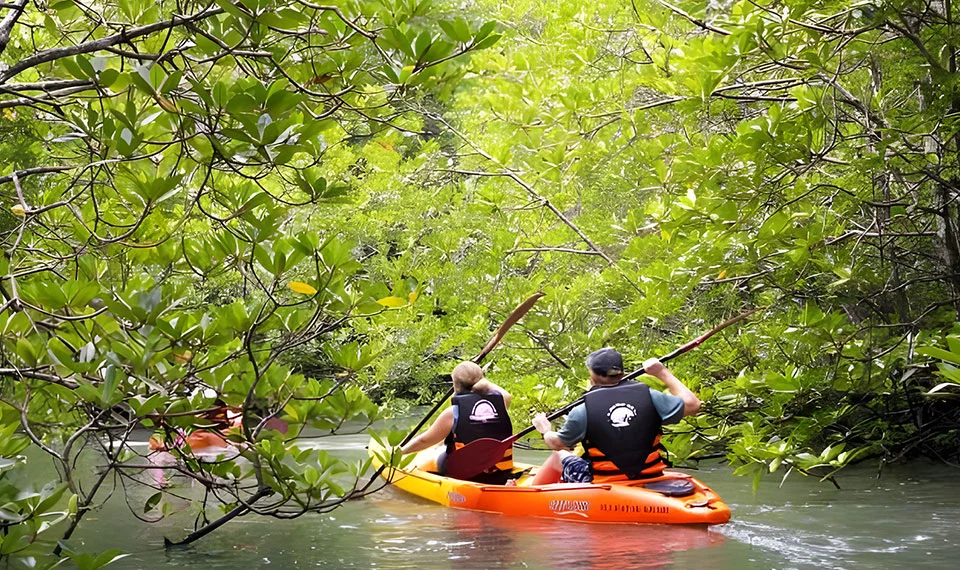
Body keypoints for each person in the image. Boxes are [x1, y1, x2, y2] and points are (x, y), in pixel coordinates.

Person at [530, 348, 700, 485]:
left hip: (606, 482)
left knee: (560, 456)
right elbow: (693, 405)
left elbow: (557, 444)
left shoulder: (583, 409)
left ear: (592, 376)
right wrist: (661, 372)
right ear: (622, 373)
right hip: (650, 476)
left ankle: (531, 496)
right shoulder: (651, 396)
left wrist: (545, 430)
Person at [401, 361, 514, 484]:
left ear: (455, 384)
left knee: (438, 448)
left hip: (466, 475)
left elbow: (424, 441)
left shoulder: (453, 412)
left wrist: (400, 452)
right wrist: (482, 380)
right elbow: (506, 394)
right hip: (500, 473)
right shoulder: (501, 403)